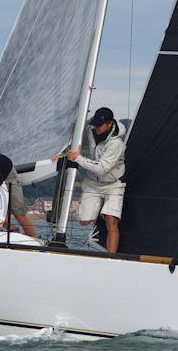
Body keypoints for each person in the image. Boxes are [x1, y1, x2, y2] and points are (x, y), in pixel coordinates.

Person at [54, 107, 126, 253]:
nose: (96, 128)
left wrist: (78, 158)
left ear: (110, 123)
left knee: (111, 221)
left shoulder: (116, 143)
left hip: (113, 185)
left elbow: (102, 168)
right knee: (83, 221)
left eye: (100, 125)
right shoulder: (90, 131)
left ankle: (110, 257)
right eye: (95, 124)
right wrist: (60, 153)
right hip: (92, 183)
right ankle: (101, 211)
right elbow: (75, 143)